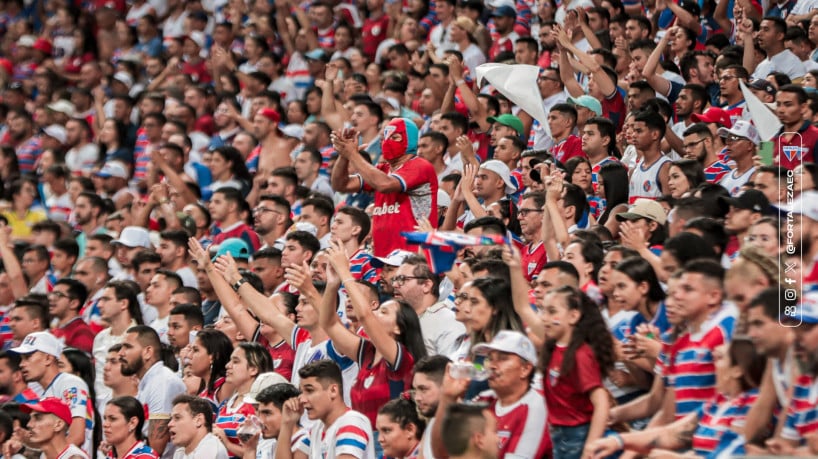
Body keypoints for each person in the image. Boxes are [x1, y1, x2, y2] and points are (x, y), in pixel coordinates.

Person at [587, 338, 765, 458]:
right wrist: (618, 441)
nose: (713, 364)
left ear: (737, 370)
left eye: (720, 358)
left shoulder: (752, 405)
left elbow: (733, 453)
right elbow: (672, 433)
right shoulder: (717, 403)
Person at [330, 118, 438, 257]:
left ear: (410, 141)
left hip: (414, 258)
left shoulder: (420, 166)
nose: (387, 141)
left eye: (395, 137)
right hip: (383, 258)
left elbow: (384, 185)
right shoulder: (382, 169)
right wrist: (344, 156)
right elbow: (341, 184)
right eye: (384, 137)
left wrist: (352, 154)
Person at [539, 286, 615, 459]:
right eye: (543, 311)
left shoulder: (581, 354)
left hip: (578, 436)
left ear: (574, 316)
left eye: (552, 312)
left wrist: (590, 446)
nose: (544, 318)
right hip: (560, 435)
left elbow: (602, 403)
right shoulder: (553, 349)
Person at [11, 331, 94, 454]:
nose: (21, 364)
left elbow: (77, 436)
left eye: (28, 357)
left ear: (48, 358)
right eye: (22, 359)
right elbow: (53, 445)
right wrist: (25, 442)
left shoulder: (70, 383)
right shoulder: (47, 392)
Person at [282, 360, 376, 459]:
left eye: (309, 390)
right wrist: (287, 423)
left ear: (333, 391)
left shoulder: (352, 422)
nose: (302, 399)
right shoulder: (317, 428)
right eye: (301, 392)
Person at [118, 325, 187, 459]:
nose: (121, 353)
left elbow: (156, 447)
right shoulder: (149, 382)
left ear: (147, 352)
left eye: (127, 347)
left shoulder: (162, 381)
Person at [213, 342, 274, 458]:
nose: (227, 365)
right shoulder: (225, 404)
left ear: (253, 369)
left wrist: (227, 444)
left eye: (235, 361)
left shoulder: (258, 407)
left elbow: (261, 453)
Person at [243, 382, 301, 459]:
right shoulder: (273, 444)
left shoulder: (303, 443)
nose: (261, 421)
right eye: (258, 412)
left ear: (289, 411)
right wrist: (250, 448)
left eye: (267, 413)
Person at [22, 397, 90, 459]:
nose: (29, 424)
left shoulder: (75, 457)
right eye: (30, 418)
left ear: (58, 425)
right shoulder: (45, 455)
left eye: (38, 418)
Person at [169, 394, 229, 459]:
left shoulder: (211, 449)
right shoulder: (180, 453)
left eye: (177, 418)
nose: (169, 424)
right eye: (171, 419)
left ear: (198, 420)